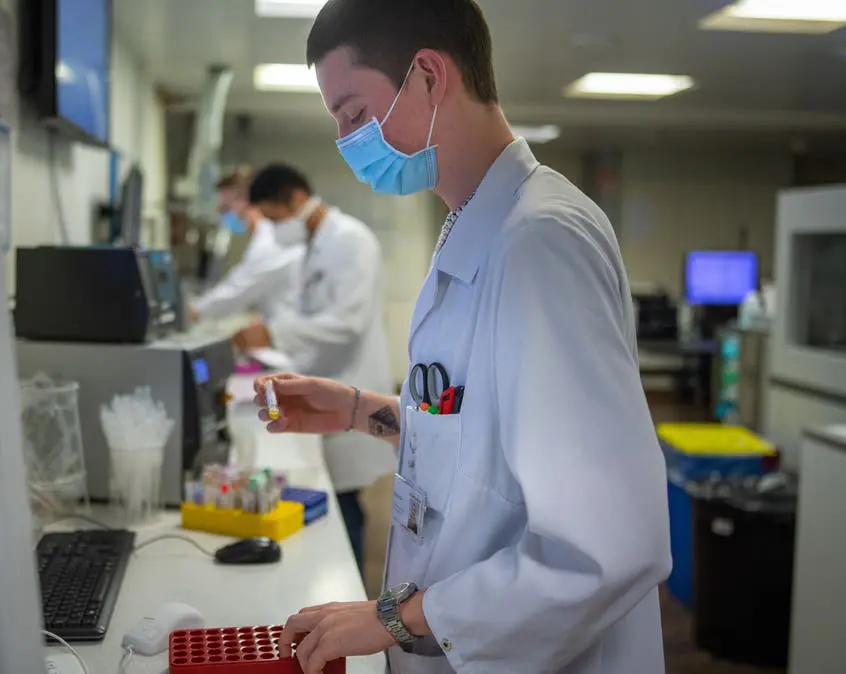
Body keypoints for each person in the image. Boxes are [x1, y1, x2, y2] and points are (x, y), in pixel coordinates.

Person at [251, 1, 671, 673]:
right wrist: (358, 409)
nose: (348, 141)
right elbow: (484, 449)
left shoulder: (539, 242)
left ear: (427, 76)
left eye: (355, 115)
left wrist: (394, 618)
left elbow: (606, 547)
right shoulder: (476, 229)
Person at [232, 163, 395, 569]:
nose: (274, 229)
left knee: (344, 505)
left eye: (274, 219)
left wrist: (274, 334)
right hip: (324, 385)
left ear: (296, 199)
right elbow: (310, 316)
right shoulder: (313, 245)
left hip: (349, 384)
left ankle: (350, 588)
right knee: (334, 501)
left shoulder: (351, 240)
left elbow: (347, 322)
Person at [188, 168, 303, 323]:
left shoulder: (271, 240)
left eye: (226, 207)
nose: (222, 213)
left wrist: (193, 311)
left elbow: (235, 291)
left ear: (246, 201)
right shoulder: (268, 235)